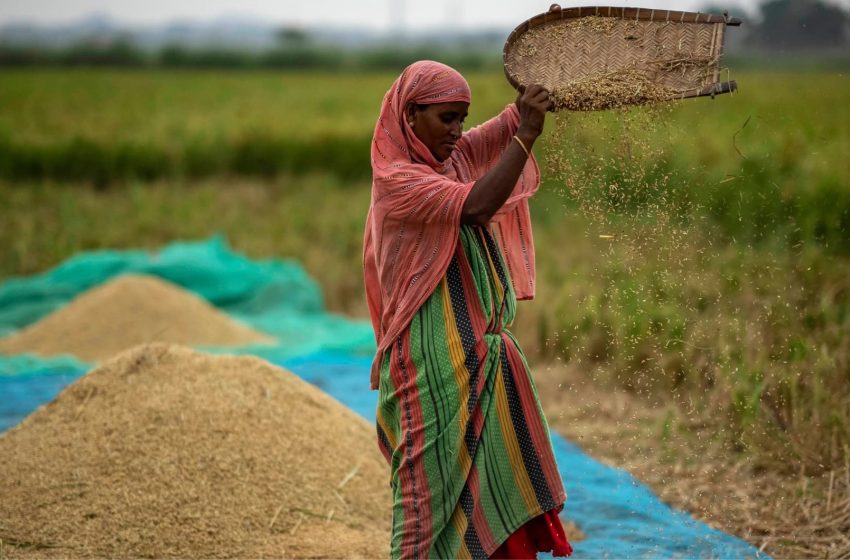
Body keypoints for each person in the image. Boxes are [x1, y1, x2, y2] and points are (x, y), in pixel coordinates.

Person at [363, 60, 572, 560]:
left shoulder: (447, 160)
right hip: (429, 367)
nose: (458, 132)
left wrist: (547, 75)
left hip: (475, 356)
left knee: (485, 488)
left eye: (462, 118)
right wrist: (526, 132)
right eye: (446, 119)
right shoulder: (401, 182)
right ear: (410, 117)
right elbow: (477, 204)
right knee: (423, 506)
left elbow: (503, 129)